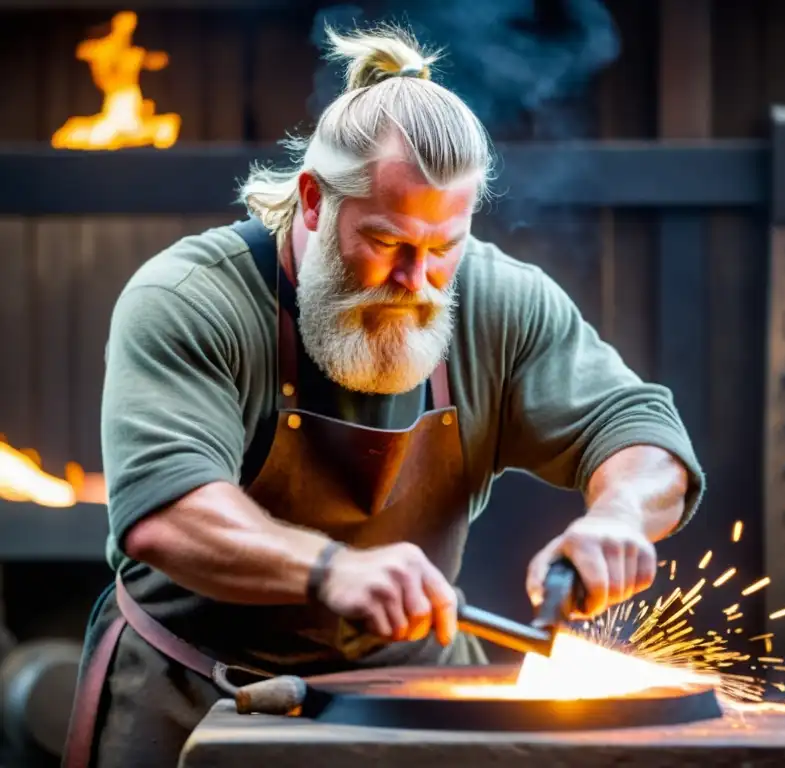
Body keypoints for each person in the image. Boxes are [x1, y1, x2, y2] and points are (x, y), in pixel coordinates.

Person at [62, 24, 705, 768]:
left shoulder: (499, 301)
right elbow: (166, 516)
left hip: (413, 695)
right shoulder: (190, 300)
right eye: (388, 243)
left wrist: (619, 516)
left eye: (443, 249)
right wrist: (331, 569)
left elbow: (638, 425)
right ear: (312, 201)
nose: (418, 283)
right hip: (195, 693)